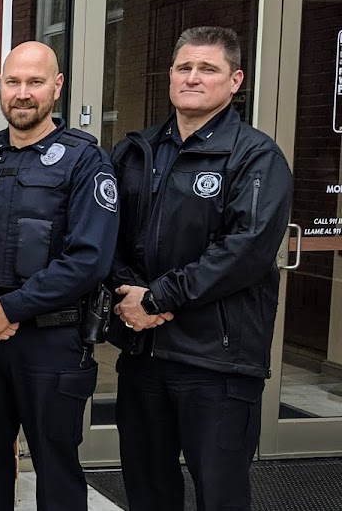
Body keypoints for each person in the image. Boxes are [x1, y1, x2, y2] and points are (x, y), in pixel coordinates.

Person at [108, 26, 292, 510]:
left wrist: (158, 298)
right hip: (143, 355)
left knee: (220, 494)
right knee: (147, 491)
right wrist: (128, 292)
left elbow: (245, 250)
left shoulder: (255, 156)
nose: (192, 77)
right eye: (183, 67)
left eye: (207, 69)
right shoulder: (136, 151)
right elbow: (104, 237)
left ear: (235, 81)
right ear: (170, 75)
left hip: (217, 362)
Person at [0, 41, 119, 510]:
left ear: (57, 87)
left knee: (56, 473)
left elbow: (89, 259)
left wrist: (10, 308)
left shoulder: (85, 160)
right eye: (13, 82)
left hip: (52, 343)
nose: (23, 93)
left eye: (35, 82)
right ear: (1, 87)